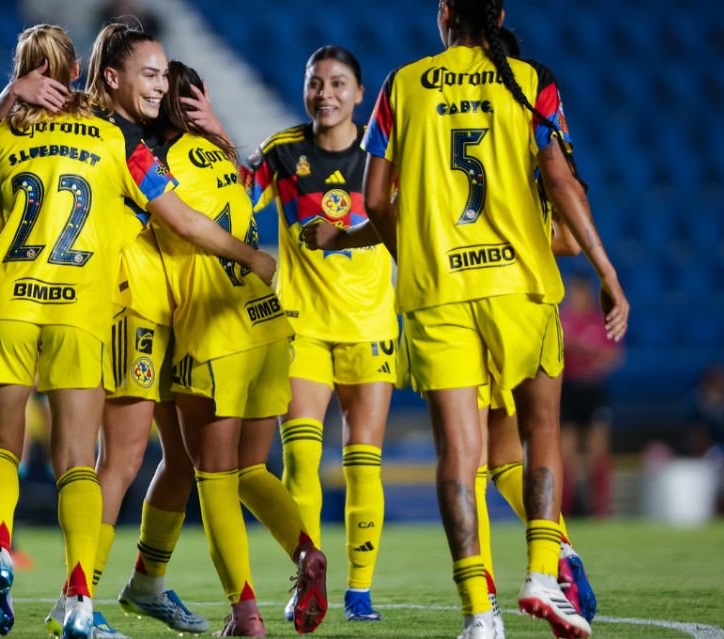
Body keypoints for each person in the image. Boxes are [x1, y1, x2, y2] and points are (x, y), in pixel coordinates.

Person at [0, 23, 273, 639]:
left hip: (8, 300)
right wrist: (252, 257)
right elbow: (183, 218)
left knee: (0, 449)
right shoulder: (113, 140)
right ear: (79, 73)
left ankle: (0, 550)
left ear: (22, 74)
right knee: (83, 463)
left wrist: (9, 98)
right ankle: (79, 599)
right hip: (87, 307)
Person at [358, 1, 628, 637]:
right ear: (500, 13)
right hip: (519, 290)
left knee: (461, 455)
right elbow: (562, 183)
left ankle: (480, 614)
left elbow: (374, 200)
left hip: (440, 294)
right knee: (540, 433)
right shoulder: (532, 80)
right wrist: (608, 273)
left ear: (445, 12)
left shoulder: (402, 84)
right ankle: (542, 573)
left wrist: (419, 260)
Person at [150, 60, 329, 637]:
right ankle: (306, 551)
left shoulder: (154, 164)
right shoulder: (223, 158)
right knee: (251, 468)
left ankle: (244, 611)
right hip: (266, 324)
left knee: (215, 477)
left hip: (213, 330)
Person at [240, 46, 394, 623]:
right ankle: (307, 577)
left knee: (363, 461)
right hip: (302, 325)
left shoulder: (385, 155)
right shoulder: (282, 152)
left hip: (369, 326)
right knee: (301, 461)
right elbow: (231, 196)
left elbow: (404, 218)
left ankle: (360, 591)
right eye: (315, 83)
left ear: (359, 93)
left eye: (337, 83)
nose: (325, 94)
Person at [559, 272, 623, 518]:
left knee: (598, 453)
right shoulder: (562, 320)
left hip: (593, 389)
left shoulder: (599, 321)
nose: (575, 297)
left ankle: (600, 509)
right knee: (566, 454)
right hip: (569, 388)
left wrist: (585, 351)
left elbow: (614, 357)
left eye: (579, 292)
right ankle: (565, 509)